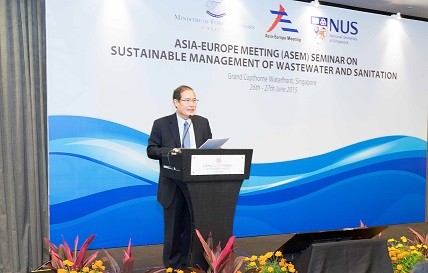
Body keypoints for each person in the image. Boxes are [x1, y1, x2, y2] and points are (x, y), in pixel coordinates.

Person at [147, 85, 212, 268]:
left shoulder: (202, 123)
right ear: (176, 102)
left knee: (192, 232)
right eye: (187, 100)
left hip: (197, 187)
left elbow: (208, 149)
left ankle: (189, 266)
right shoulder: (161, 124)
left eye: (194, 100)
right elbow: (151, 149)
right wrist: (172, 151)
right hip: (173, 186)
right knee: (174, 232)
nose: (192, 104)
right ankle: (172, 267)